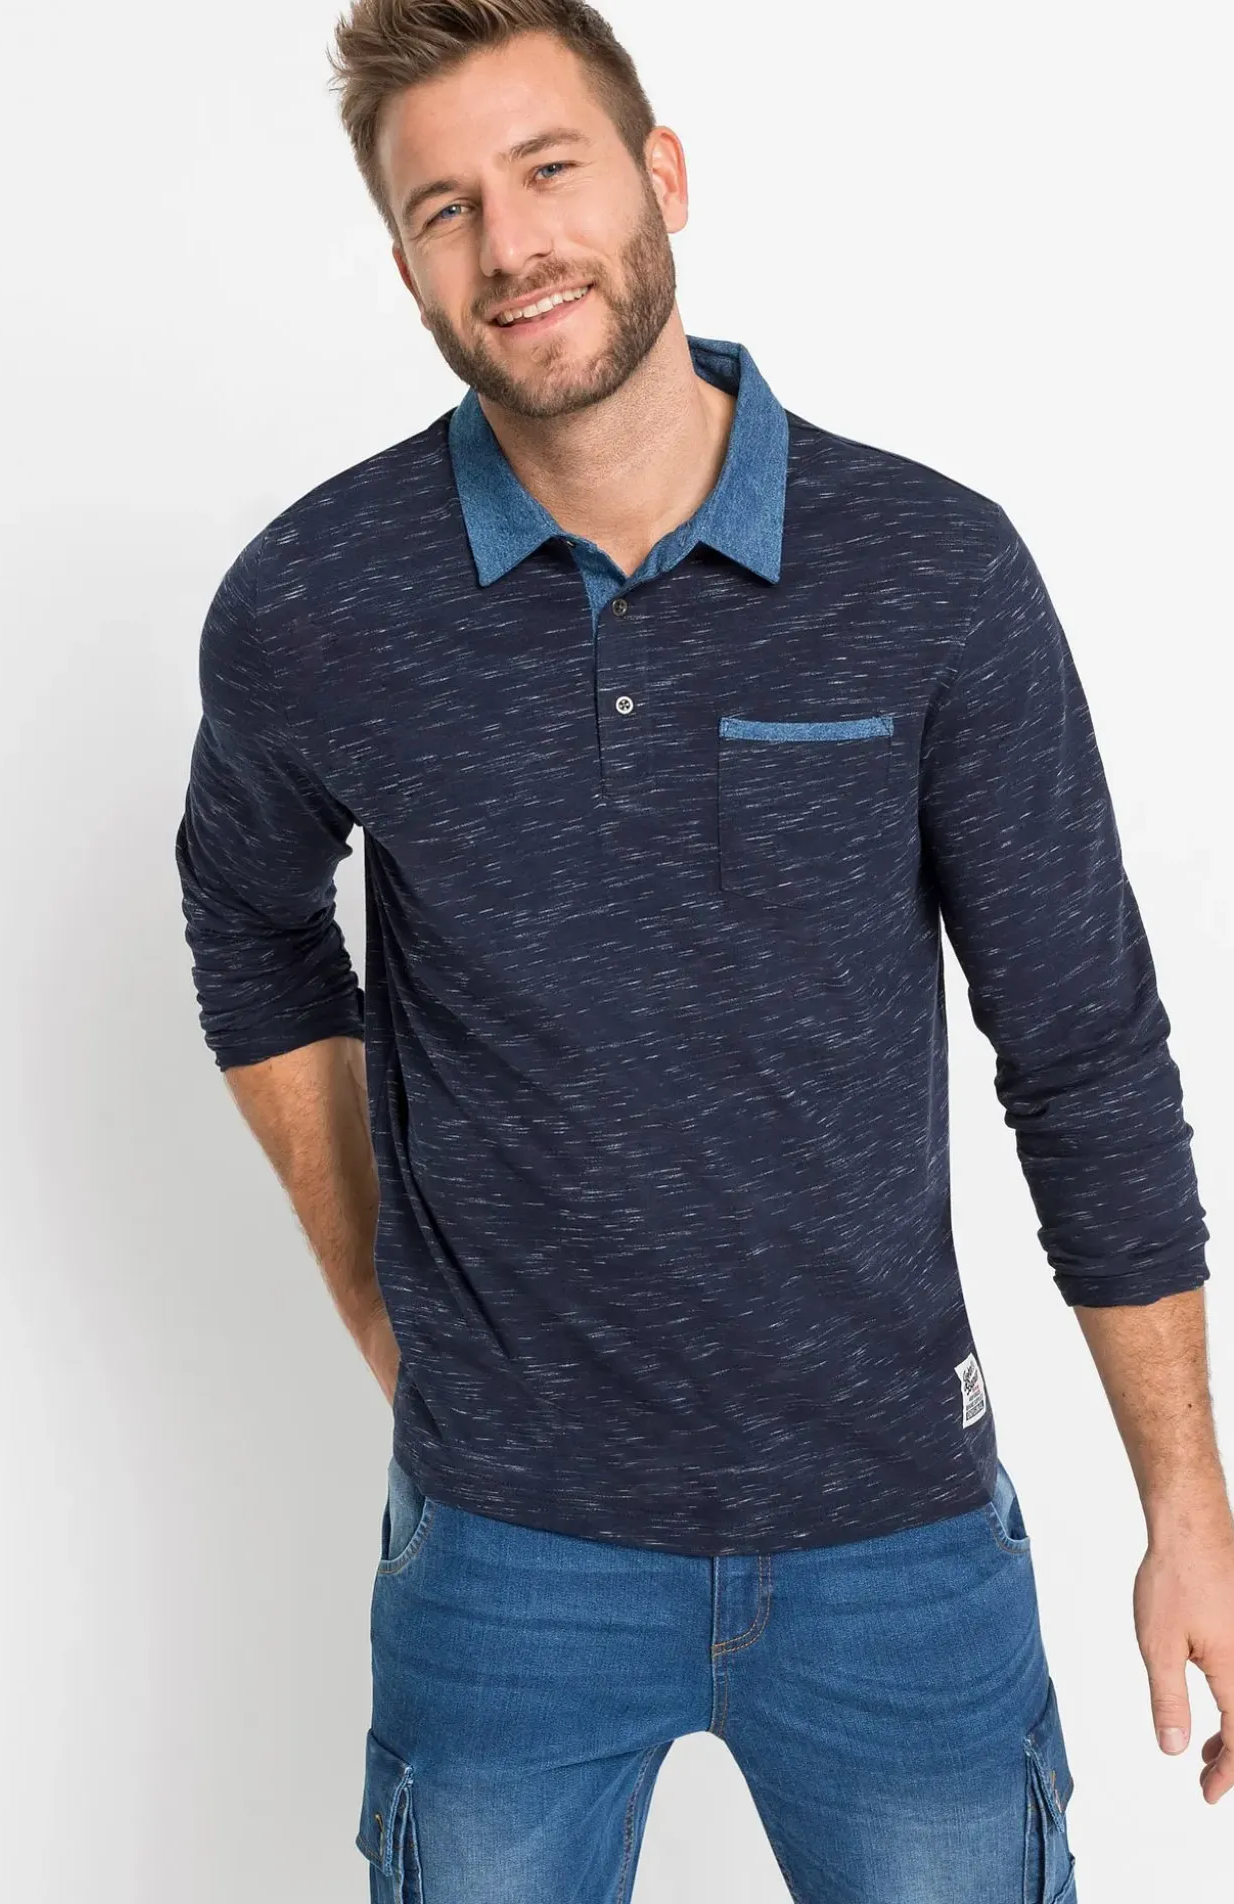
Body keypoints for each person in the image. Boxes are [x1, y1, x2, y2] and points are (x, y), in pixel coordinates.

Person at [173, 2, 1234, 1896]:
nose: (512, 245)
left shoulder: (932, 571)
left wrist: (1187, 1503)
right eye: (444, 208)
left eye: (550, 169)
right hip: (508, 1554)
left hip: (898, 1538)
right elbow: (249, 931)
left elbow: (1081, 1045)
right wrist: (375, 1298)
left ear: (661, 177)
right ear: (405, 262)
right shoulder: (319, 601)